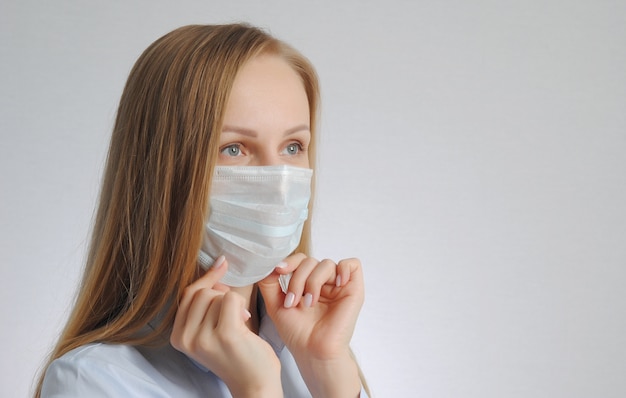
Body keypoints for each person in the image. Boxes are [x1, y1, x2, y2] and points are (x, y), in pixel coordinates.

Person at [34, 23, 369, 397]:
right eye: (234, 148)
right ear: (162, 171)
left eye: (293, 147)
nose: (278, 179)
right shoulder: (92, 382)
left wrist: (332, 377)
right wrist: (256, 390)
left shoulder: (309, 350)